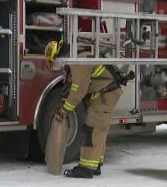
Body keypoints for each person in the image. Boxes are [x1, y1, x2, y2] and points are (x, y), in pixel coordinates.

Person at [45, 40, 132, 178]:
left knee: (91, 131)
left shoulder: (79, 62)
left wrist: (64, 110)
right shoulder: (79, 58)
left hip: (102, 98)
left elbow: (78, 91)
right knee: (98, 131)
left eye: (57, 62)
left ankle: (86, 168)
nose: (59, 66)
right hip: (104, 96)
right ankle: (96, 164)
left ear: (60, 55)